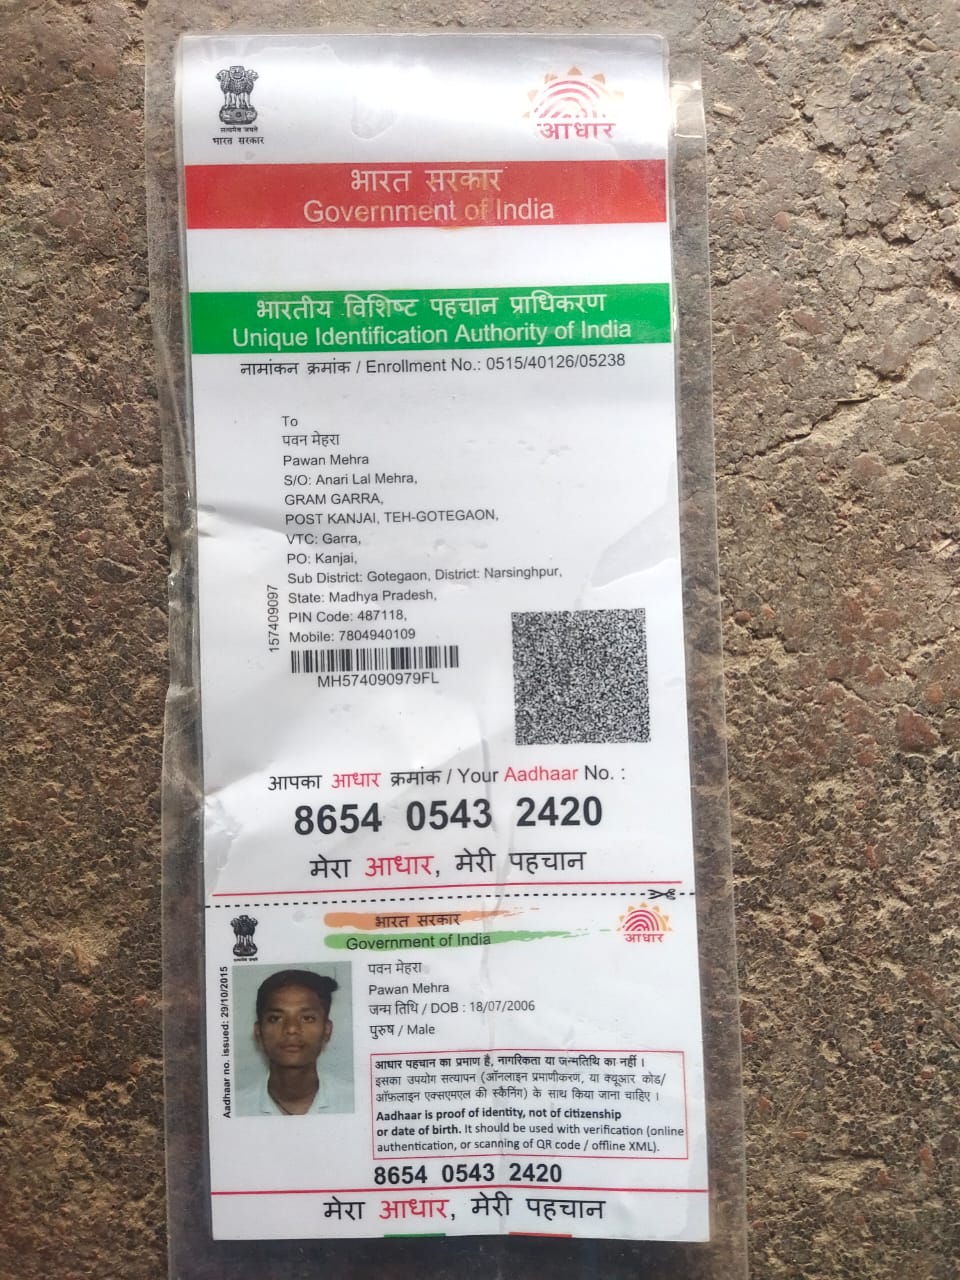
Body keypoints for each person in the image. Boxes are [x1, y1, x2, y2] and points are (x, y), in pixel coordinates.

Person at [238, 968, 352, 1116]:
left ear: (327, 1030)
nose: (291, 1028)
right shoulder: (236, 1108)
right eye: (275, 1018)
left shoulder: (355, 1102)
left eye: (307, 1018)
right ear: (258, 1032)